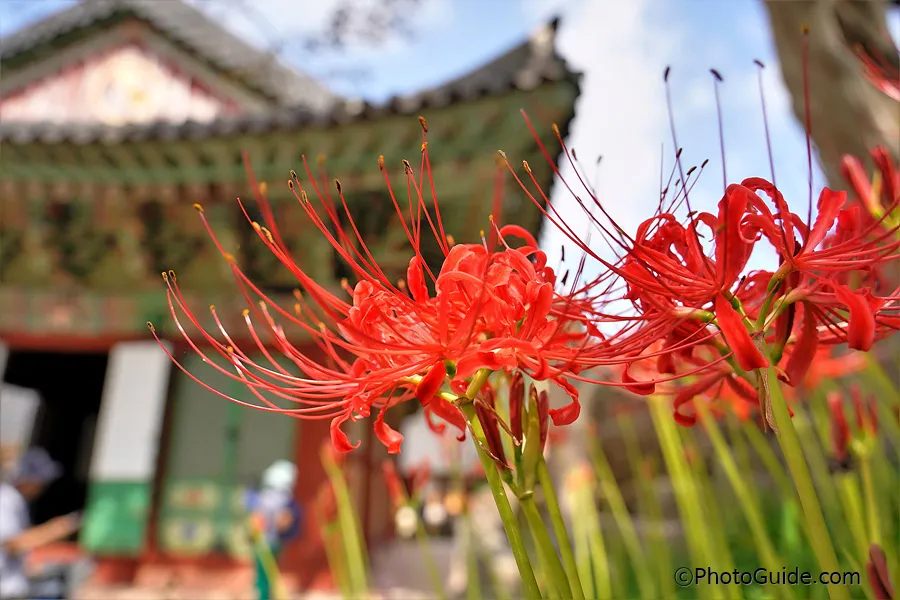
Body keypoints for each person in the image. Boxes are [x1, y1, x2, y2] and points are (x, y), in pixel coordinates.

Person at [0, 448, 81, 600]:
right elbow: (12, 544)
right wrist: (57, 529)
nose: (42, 486)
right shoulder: (5, 501)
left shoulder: (17, 502)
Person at [245, 460, 303, 600]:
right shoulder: (283, 499)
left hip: (266, 543)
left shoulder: (266, 498)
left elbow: (258, 517)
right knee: (267, 576)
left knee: (265, 577)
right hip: (271, 542)